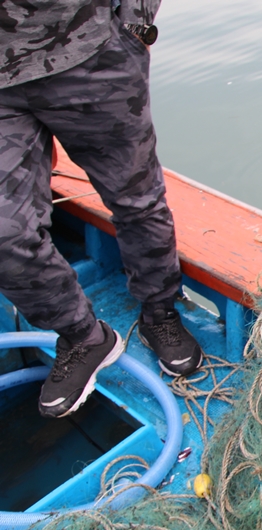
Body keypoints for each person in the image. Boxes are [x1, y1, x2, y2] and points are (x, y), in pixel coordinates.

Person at [0, 0, 202, 418]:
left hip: (88, 52)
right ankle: (83, 337)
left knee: (137, 200)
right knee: (5, 233)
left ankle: (160, 311)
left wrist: (134, 22)